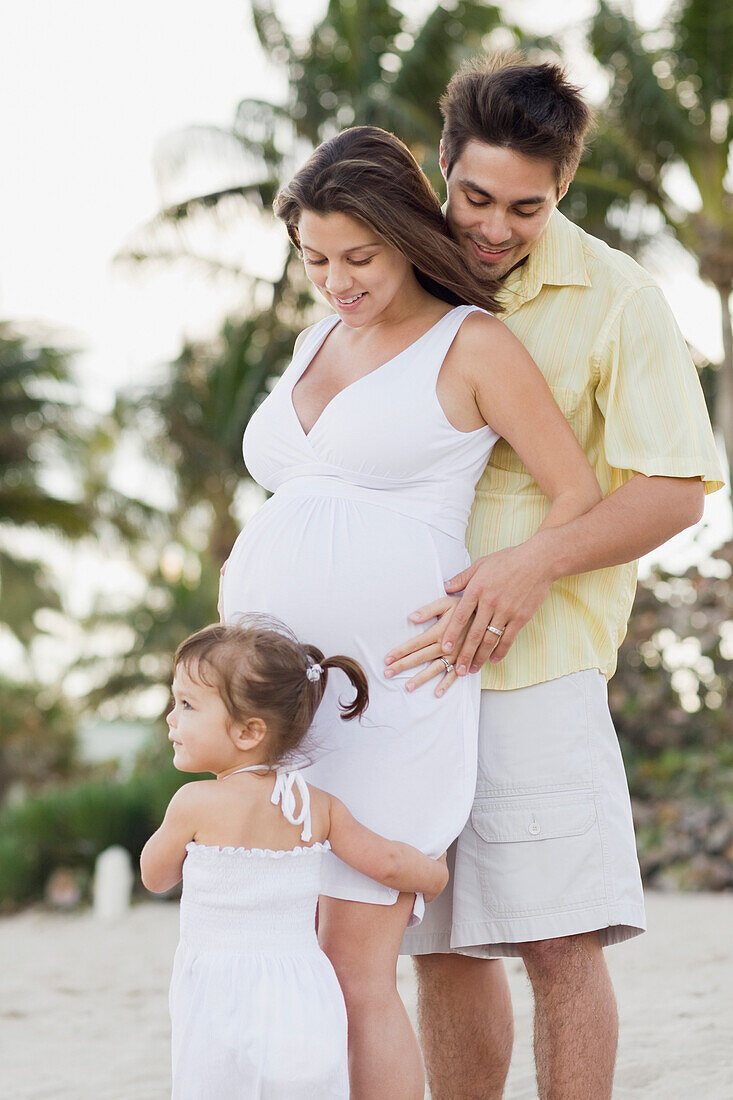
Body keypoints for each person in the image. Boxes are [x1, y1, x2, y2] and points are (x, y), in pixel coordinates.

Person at [218, 125, 602, 1097]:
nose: (336, 279)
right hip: (280, 696)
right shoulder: (316, 338)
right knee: (293, 950)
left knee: (354, 959)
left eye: (359, 256)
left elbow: (574, 493)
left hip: (395, 686)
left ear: (405, 235)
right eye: (313, 258)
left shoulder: (468, 342)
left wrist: (510, 581)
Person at [386, 54, 725, 1099]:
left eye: (523, 207)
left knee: (557, 939)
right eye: (474, 197)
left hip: (541, 669)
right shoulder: (403, 279)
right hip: (408, 671)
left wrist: (533, 562)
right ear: (444, 165)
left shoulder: (622, 301)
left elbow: (675, 489)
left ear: (562, 190)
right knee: (442, 941)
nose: (490, 226)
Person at [140, 620, 449, 1099]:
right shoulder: (315, 805)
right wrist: (434, 874)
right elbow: (387, 863)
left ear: (248, 731)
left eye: (186, 704)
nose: (171, 718)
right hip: (302, 989)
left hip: (218, 995)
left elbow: (155, 876)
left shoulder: (193, 803)